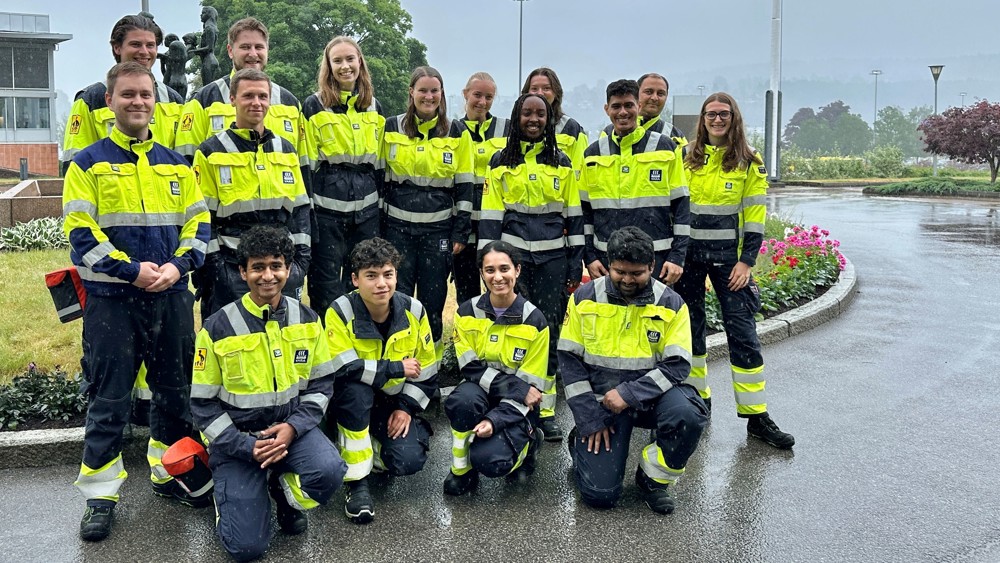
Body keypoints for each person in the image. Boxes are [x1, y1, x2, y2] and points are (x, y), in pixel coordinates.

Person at [63, 61, 211, 541]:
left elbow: (199, 224)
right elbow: (80, 233)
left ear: (155, 101)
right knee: (110, 399)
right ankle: (101, 496)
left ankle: (167, 471)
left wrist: (177, 266)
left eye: (145, 95)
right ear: (110, 102)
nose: (138, 102)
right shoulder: (87, 163)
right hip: (111, 300)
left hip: (170, 296)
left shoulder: (176, 163)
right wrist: (132, 271)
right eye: (127, 95)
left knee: (173, 393)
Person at [191, 224, 347, 561]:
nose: (268, 276)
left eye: (276, 266)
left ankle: (280, 491)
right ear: (242, 272)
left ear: (288, 271)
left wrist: (293, 429)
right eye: (258, 267)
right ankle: (230, 499)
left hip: (290, 432)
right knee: (246, 549)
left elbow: (321, 384)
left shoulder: (307, 319)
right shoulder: (217, 328)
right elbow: (202, 405)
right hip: (237, 442)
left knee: (331, 470)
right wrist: (247, 447)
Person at [674, 92, 795, 449]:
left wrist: (747, 261)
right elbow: (676, 208)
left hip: (731, 262)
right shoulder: (685, 157)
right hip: (691, 259)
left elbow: (755, 216)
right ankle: (698, 399)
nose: (717, 119)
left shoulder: (748, 161)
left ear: (734, 117)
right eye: (711, 114)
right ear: (702, 118)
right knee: (691, 332)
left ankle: (756, 416)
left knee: (742, 335)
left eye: (723, 114)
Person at [559, 226, 707, 514]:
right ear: (609, 264)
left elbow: (677, 365)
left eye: (636, 273)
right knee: (600, 497)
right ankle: (580, 439)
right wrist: (590, 418)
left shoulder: (671, 304)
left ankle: (653, 479)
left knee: (688, 414)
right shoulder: (584, 298)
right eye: (619, 272)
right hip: (603, 404)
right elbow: (569, 361)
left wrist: (629, 393)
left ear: (652, 266)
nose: (627, 280)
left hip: (651, 399)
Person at [478, 92, 584, 442]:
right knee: (514, 333)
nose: (534, 120)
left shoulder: (563, 162)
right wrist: (488, 265)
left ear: (549, 119)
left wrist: (574, 263)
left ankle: (547, 410)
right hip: (514, 264)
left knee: (548, 333)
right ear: (516, 117)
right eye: (527, 114)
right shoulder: (499, 161)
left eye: (541, 114)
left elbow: (574, 217)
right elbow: (491, 218)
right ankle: (515, 404)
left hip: (553, 262)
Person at [324, 237, 438, 524]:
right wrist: (395, 367)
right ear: (355, 279)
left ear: (396, 275)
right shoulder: (339, 311)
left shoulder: (414, 310)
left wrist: (406, 408)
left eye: (388, 275)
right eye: (371, 276)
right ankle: (356, 484)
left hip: (393, 405)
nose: (381, 284)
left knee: (407, 461)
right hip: (351, 402)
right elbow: (343, 368)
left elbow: (428, 371)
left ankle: (369, 444)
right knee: (355, 393)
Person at [192, 68, 312, 319]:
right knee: (232, 343)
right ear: (232, 99)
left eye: (262, 96)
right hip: (232, 269)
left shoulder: (286, 149)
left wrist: (300, 263)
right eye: (248, 96)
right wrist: (218, 271)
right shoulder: (211, 151)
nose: (256, 103)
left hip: (281, 270)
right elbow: (203, 218)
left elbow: (300, 211)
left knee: (283, 343)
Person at [381, 66, 474, 351]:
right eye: (423, 90)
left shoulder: (457, 131)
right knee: (399, 296)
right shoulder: (391, 127)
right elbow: (380, 178)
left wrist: (460, 232)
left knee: (433, 299)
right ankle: (400, 358)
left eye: (434, 90)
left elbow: (466, 186)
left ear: (442, 94)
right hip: (398, 230)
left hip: (438, 232)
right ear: (411, 92)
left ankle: (430, 365)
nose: (429, 96)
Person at [443, 241, 548, 495]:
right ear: (481, 273)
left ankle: (530, 444)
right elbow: (469, 367)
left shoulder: (534, 320)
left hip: (516, 408)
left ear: (518, 270)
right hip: (482, 394)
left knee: (493, 462)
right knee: (461, 399)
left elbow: (531, 391)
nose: (498, 277)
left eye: (504, 269)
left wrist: (495, 419)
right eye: (489, 270)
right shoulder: (467, 312)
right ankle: (461, 470)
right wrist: (514, 386)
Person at [303, 36, 385, 316]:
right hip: (328, 210)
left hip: (366, 210)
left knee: (363, 277)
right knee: (324, 282)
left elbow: (381, 163)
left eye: (350, 59)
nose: (345, 66)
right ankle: (327, 348)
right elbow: (308, 161)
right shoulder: (314, 105)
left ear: (360, 62)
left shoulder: (374, 106)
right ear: (328, 66)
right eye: (337, 60)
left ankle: (360, 345)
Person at [581, 79, 689, 287]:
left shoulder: (665, 147)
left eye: (629, 105)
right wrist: (590, 257)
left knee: (655, 317)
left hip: (655, 259)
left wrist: (677, 257)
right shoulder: (592, 154)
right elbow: (585, 213)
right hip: (607, 260)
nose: (623, 112)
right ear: (607, 109)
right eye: (616, 106)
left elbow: (681, 206)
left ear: (638, 106)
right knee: (609, 318)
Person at [61, 14, 185, 174]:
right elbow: (75, 167)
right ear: (117, 48)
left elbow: (184, 163)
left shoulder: (174, 99)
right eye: (136, 44)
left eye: (150, 45)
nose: (144, 52)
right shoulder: (91, 99)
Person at [176, 17, 306, 167]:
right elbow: (185, 161)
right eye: (245, 47)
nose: (253, 53)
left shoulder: (290, 102)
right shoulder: (204, 99)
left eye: (259, 47)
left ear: (267, 50)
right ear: (230, 51)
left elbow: (302, 166)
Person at [448, 72, 510, 304]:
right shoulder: (452, 129)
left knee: (498, 288)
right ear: (465, 95)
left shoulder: (507, 129)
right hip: (462, 225)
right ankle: (466, 336)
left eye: (489, 97)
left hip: (494, 224)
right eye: (477, 95)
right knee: (466, 290)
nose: (482, 102)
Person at [521, 67, 587, 172]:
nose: (540, 93)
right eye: (534, 89)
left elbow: (579, 174)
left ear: (556, 93)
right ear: (526, 93)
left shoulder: (572, 129)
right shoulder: (517, 126)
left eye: (546, 88)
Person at [601, 73, 687, 148]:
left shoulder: (676, 137)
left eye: (660, 94)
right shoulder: (609, 133)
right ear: (636, 94)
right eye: (649, 92)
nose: (654, 98)